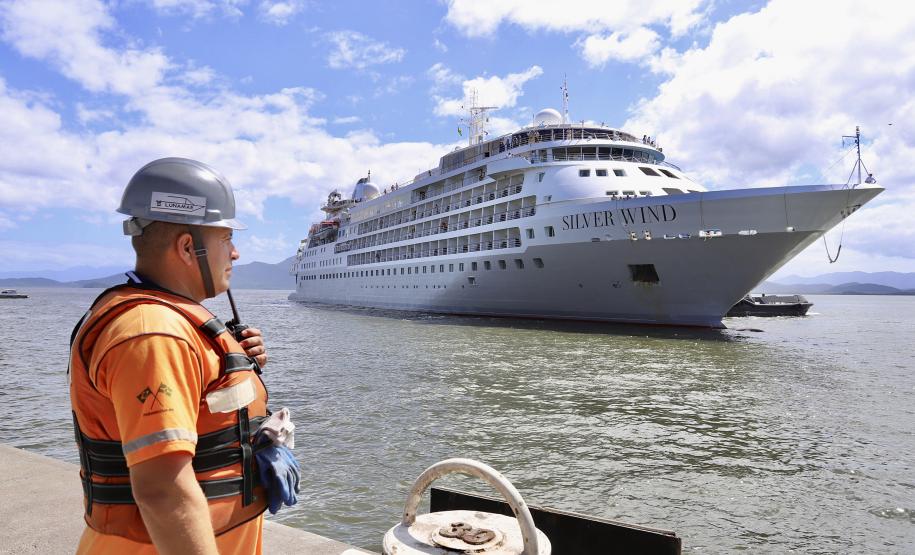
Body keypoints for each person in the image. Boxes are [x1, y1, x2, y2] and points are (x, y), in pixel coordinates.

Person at [70, 158, 272, 554]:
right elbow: (163, 491)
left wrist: (235, 370)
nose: (235, 253)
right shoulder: (153, 333)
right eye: (225, 239)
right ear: (186, 247)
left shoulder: (167, 322)